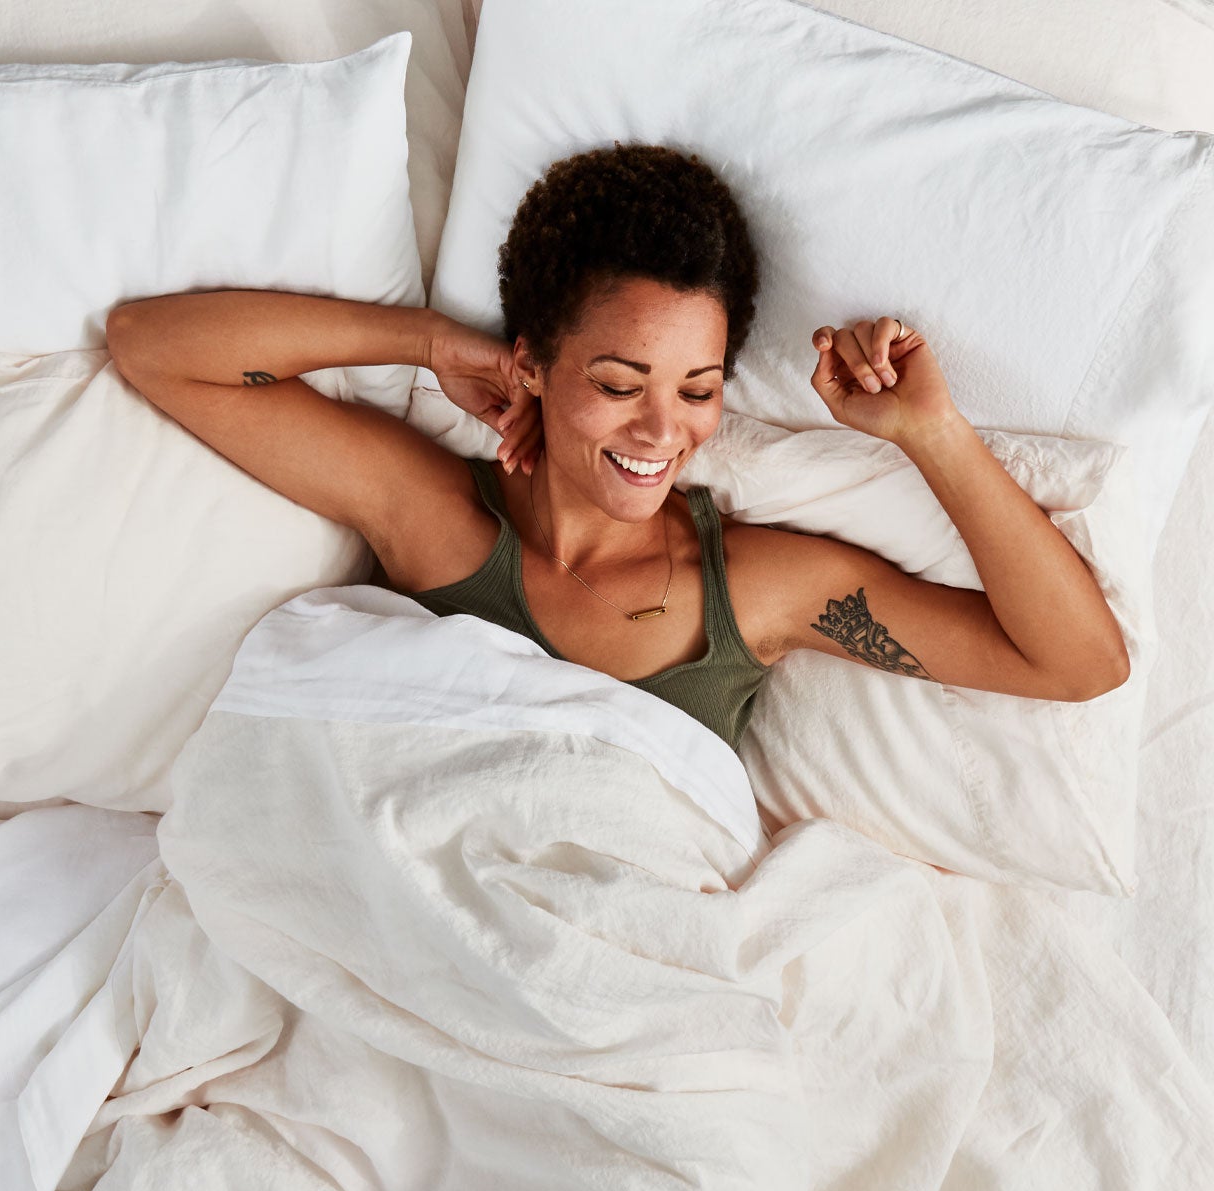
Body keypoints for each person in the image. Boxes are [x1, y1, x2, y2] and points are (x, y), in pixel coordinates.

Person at [106, 142, 1129, 753]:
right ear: (535, 367)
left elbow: (1078, 665)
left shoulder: (760, 591)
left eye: (697, 390)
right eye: (615, 383)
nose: (660, 432)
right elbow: (153, 351)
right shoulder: (436, 521)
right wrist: (422, 341)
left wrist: (930, 433)